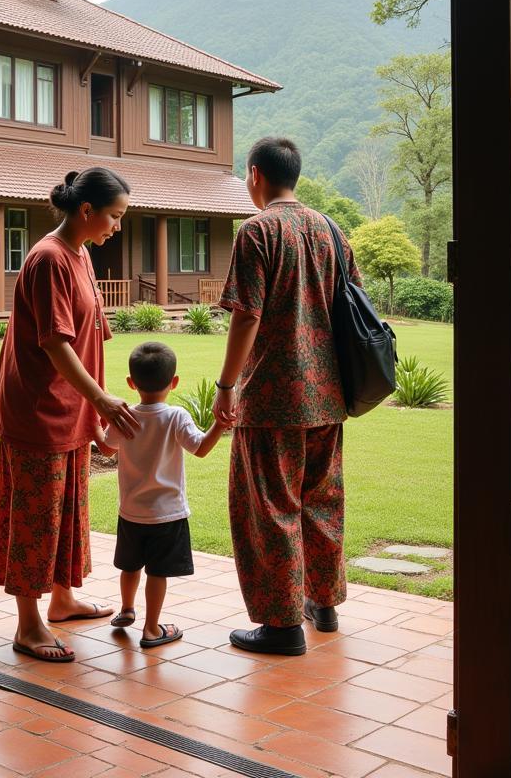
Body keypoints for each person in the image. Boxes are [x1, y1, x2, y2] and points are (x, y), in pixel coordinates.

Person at [0, 167, 141, 664]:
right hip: (38, 408)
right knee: (34, 516)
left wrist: (92, 404)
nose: (117, 227)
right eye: (114, 217)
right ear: (87, 210)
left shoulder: (80, 255)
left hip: (69, 406)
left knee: (67, 508)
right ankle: (28, 626)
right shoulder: (49, 258)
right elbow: (55, 342)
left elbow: (90, 334)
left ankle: (62, 599)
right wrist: (101, 399)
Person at [213, 137, 361, 656]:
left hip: (274, 398)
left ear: (254, 174)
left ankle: (281, 626)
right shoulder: (331, 230)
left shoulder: (258, 231)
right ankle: (323, 605)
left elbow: (246, 313)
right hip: (327, 396)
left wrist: (227, 385)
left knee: (271, 508)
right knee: (321, 502)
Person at [97, 341, 224, 648]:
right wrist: (221, 424)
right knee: (157, 573)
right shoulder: (176, 416)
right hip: (167, 513)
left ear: (131, 383)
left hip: (130, 511)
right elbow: (201, 448)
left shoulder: (124, 416)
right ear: (174, 382)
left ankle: (127, 608)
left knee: (130, 565)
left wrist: (92, 426)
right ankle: (151, 628)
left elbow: (105, 448)